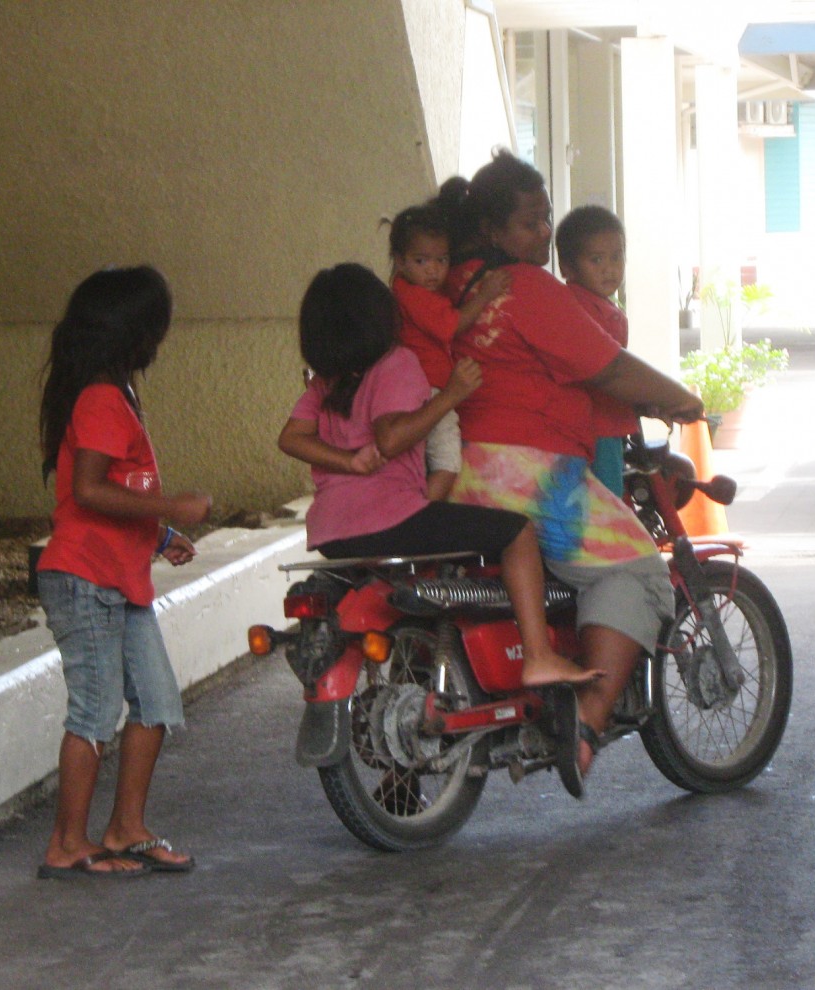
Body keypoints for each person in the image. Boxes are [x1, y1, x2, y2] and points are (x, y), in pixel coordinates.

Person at [434, 150, 704, 795]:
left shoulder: (450, 286)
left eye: (546, 218)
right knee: (636, 565)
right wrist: (679, 397)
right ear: (493, 229)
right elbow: (606, 365)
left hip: (458, 473)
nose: (544, 234)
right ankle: (586, 719)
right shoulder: (524, 288)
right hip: (531, 478)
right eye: (530, 222)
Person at [277, 262, 598, 692]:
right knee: (518, 532)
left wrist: (348, 461)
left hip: (332, 534)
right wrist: (452, 395)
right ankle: (539, 656)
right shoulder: (395, 363)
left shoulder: (327, 382)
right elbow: (391, 437)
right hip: (390, 521)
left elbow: (291, 438)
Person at [35, 266, 211, 879]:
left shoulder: (117, 394)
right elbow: (87, 490)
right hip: (85, 578)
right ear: (134, 331)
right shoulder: (101, 398)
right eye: (156, 325)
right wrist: (172, 507)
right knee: (94, 710)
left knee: (156, 703)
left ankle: (125, 829)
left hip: (119, 579)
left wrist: (158, 535)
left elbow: (115, 487)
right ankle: (67, 844)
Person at [387, 204, 512, 501]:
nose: (433, 269)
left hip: (423, 388)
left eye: (441, 260)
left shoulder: (412, 290)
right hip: (430, 391)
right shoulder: (414, 295)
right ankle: (418, 509)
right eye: (421, 260)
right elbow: (452, 325)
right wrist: (486, 294)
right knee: (447, 462)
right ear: (400, 261)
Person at [555, 205, 638, 496]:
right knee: (606, 502)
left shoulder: (602, 307)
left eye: (617, 256)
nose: (609, 268)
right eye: (596, 259)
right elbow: (610, 371)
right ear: (567, 267)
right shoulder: (579, 308)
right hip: (597, 429)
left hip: (597, 426)